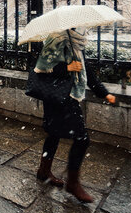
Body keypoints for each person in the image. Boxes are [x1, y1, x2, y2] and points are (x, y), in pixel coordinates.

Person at [35, 28, 116, 203]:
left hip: (69, 97)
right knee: (82, 139)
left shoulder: (76, 44)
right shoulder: (55, 40)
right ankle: (73, 183)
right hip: (57, 97)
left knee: (54, 134)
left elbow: (87, 72)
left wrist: (104, 93)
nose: (82, 29)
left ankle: (43, 171)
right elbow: (41, 67)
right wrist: (66, 67)